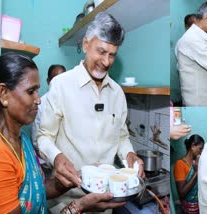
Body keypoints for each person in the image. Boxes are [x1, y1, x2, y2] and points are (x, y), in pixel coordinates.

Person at [0, 53, 125, 213]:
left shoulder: (21, 138)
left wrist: (77, 177)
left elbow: (39, 191)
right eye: (30, 91)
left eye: (37, 91)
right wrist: (79, 206)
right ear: (4, 94)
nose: (38, 99)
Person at [37, 12, 145, 212]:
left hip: (105, 201)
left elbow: (121, 136)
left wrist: (129, 153)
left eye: (112, 55)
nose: (106, 61)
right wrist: (57, 157)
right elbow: (44, 136)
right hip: (65, 200)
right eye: (101, 51)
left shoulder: (117, 93)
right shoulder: (61, 85)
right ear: (86, 44)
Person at [31, 64, 66, 155]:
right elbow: (36, 139)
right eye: (55, 80)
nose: (60, 83)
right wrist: (51, 158)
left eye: (63, 79)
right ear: (48, 81)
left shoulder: (72, 100)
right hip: (48, 160)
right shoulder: (40, 104)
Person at [174, 134, 204, 214]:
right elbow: (182, 193)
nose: (201, 152)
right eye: (200, 149)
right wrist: (197, 172)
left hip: (201, 205)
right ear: (193, 146)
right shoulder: (180, 164)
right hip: (189, 208)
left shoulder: (196, 162)